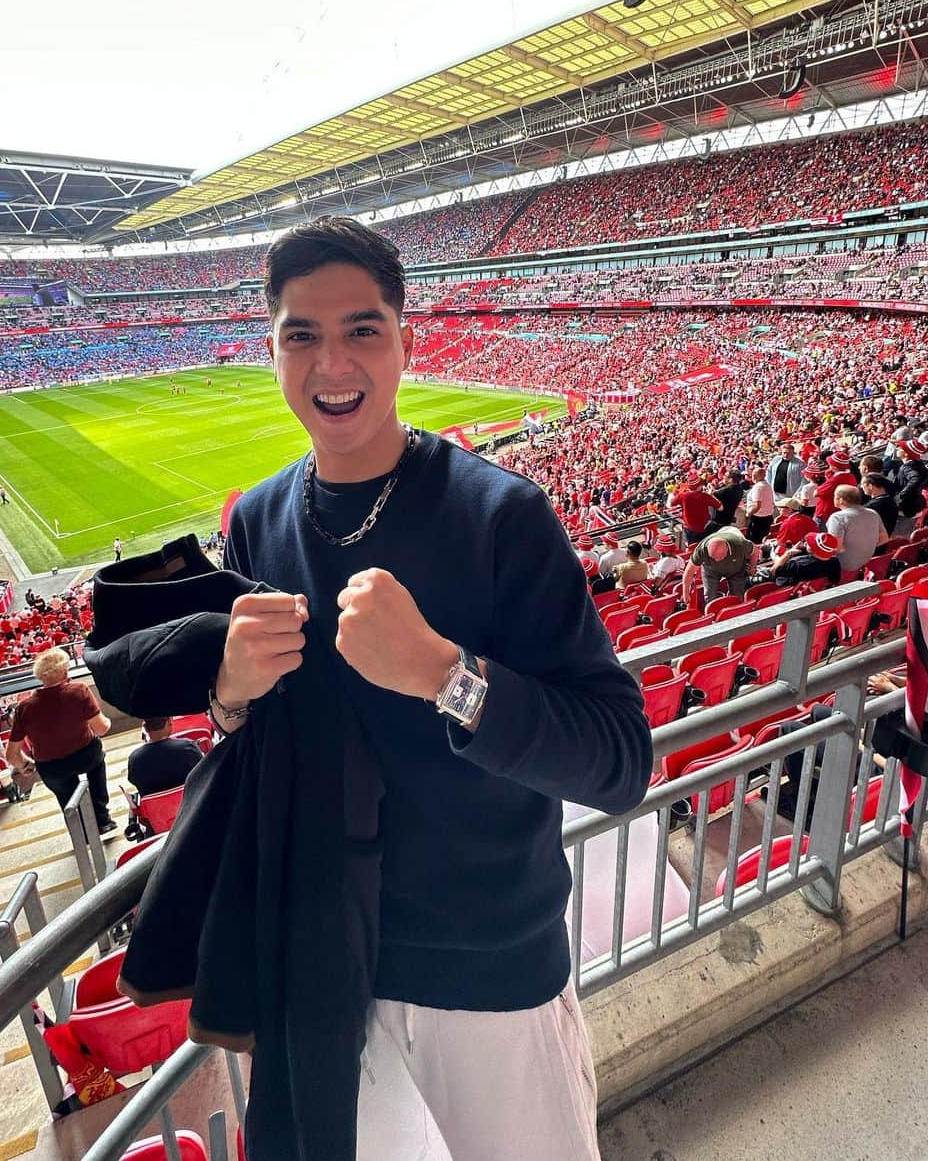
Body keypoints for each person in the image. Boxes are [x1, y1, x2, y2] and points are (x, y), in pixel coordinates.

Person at [214, 217, 650, 1160]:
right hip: (325, 967)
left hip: (488, 959)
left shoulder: (503, 516)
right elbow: (255, 747)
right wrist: (227, 698)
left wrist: (446, 678)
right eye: (302, 334)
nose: (332, 361)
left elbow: (620, 763)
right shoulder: (253, 523)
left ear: (407, 340)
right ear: (274, 351)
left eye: (362, 329)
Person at [5, 647, 117, 837]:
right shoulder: (79, 690)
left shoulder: (24, 707)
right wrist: (107, 720)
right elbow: (102, 728)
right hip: (86, 756)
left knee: (66, 796)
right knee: (96, 762)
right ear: (65, 671)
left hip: (51, 768)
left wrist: (26, 764)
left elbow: (11, 755)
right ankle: (103, 819)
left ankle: (81, 833)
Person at [126, 716, 203, 797]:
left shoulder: (135, 759)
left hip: (155, 809)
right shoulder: (188, 748)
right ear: (169, 722)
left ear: (145, 727)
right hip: (192, 803)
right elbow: (203, 771)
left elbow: (134, 780)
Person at [681, 526, 754, 606]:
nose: (717, 560)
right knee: (709, 596)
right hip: (711, 571)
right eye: (713, 557)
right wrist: (685, 592)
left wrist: (752, 567)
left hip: (736, 569)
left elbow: (755, 551)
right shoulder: (701, 550)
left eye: (720, 557)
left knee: (737, 595)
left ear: (727, 548)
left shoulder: (739, 544)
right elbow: (689, 572)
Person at [826, 484, 888, 576]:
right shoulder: (873, 513)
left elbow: (835, 548)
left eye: (835, 496)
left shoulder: (837, 517)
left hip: (844, 566)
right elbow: (884, 539)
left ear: (841, 500)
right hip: (866, 563)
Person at [771, 532, 842, 588]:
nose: (805, 543)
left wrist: (787, 554)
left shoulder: (796, 564)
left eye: (809, 543)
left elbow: (773, 571)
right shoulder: (835, 562)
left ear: (812, 549)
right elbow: (834, 581)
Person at [671, 473, 720, 544]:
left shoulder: (683, 495)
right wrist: (711, 495)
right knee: (704, 547)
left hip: (689, 528)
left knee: (691, 548)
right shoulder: (705, 496)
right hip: (704, 527)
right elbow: (720, 508)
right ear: (699, 486)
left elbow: (672, 503)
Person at [743, 466, 776, 544]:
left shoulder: (758, 487)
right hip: (767, 517)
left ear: (754, 476)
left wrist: (748, 513)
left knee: (754, 541)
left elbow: (757, 505)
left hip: (758, 519)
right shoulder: (767, 485)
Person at [862, 472, 899, 536]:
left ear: (870, 486)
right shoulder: (892, 501)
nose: (862, 487)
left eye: (863, 485)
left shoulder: (871, 507)